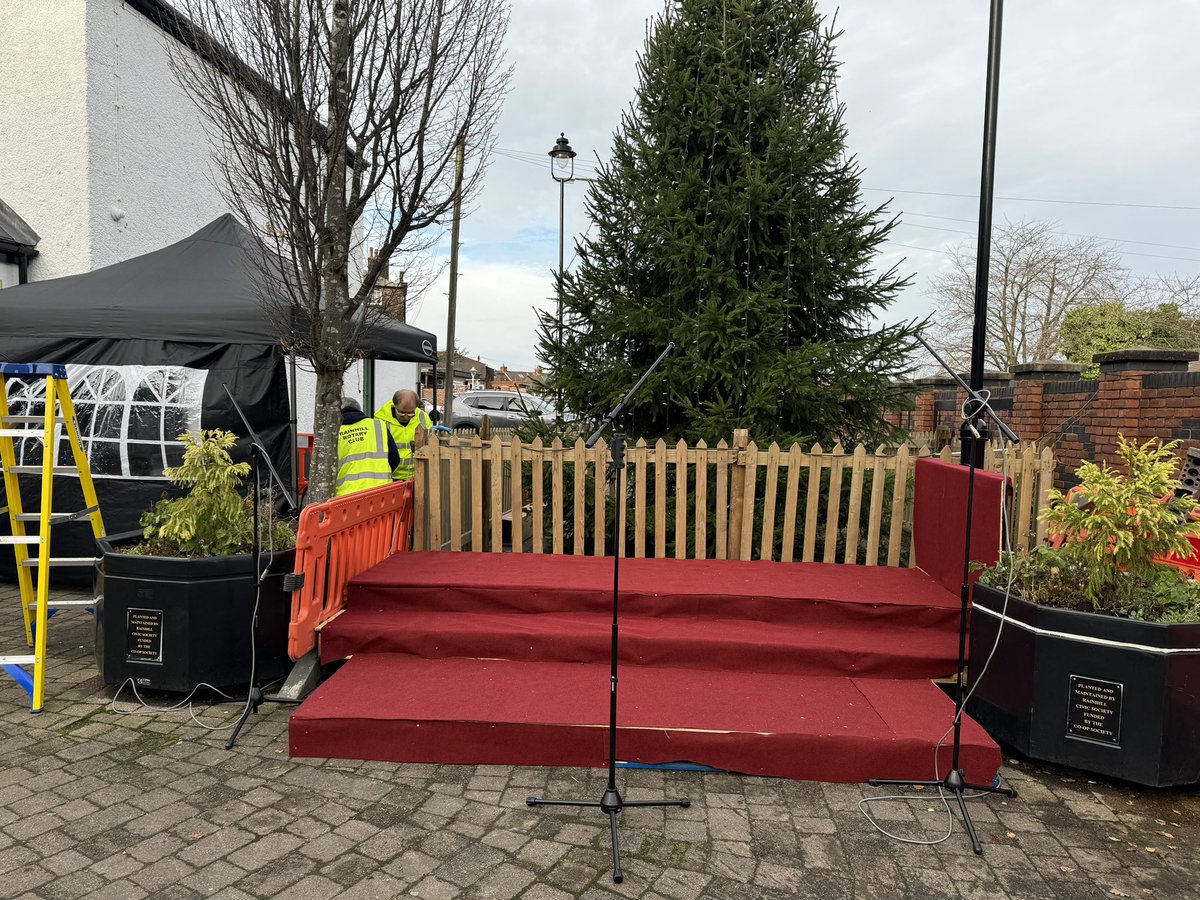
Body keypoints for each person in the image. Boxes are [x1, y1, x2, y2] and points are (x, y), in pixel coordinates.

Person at [335, 398, 399, 496]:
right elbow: (395, 458)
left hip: (347, 496)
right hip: (381, 491)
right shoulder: (378, 425)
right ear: (359, 410)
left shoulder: (334, 433)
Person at [374, 389, 432, 480]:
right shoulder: (380, 421)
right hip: (390, 476)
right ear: (394, 406)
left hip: (417, 475)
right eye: (402, 412)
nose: (406, 416)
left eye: (410, 413)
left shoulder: (423, 418)